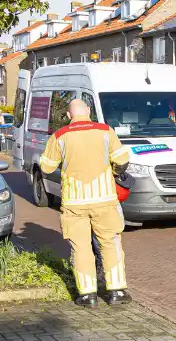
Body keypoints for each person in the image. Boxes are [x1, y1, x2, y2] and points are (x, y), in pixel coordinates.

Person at [38, 99, 132, 308]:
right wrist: (113, 173)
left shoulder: (60, 136)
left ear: (69, 116)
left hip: (74, 202)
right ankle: (116, 291)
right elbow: (123, 160)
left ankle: (87, 295)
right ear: (89, 111)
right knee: (110, 243)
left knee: (80, 248)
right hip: (104, 199)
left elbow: (45, 167)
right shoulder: (106, 131)